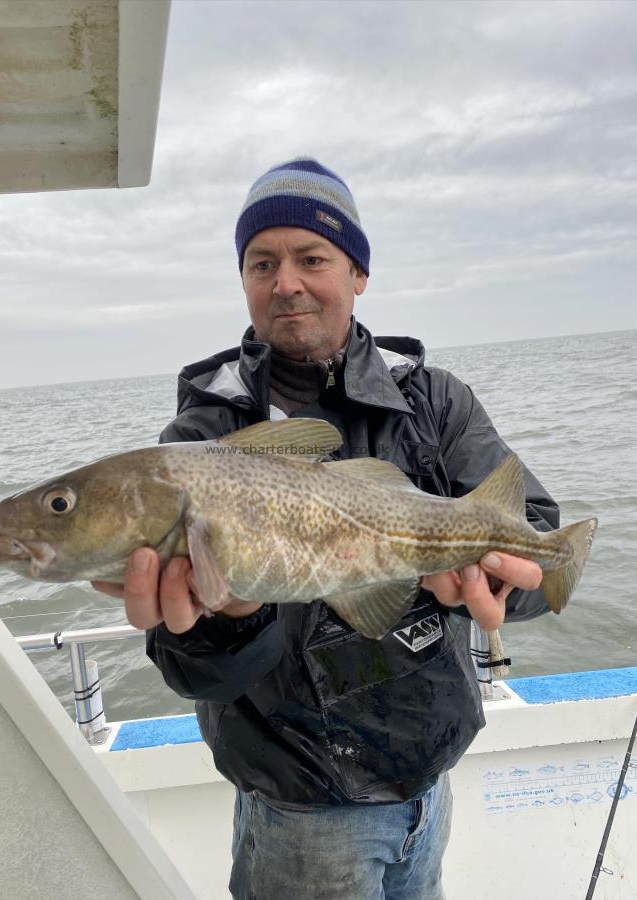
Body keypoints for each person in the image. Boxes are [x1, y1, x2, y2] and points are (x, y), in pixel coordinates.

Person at [94, 158, 556, 900]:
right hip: (300, 814)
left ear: (357, 273)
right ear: (243, 281)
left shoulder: (435, 403)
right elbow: (188, 669)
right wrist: (229, 618)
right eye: (261, 263)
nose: (285, 283)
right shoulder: (200, 437)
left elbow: (538, 539)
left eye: (311, 258)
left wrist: (490, 581)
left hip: (429, 782)